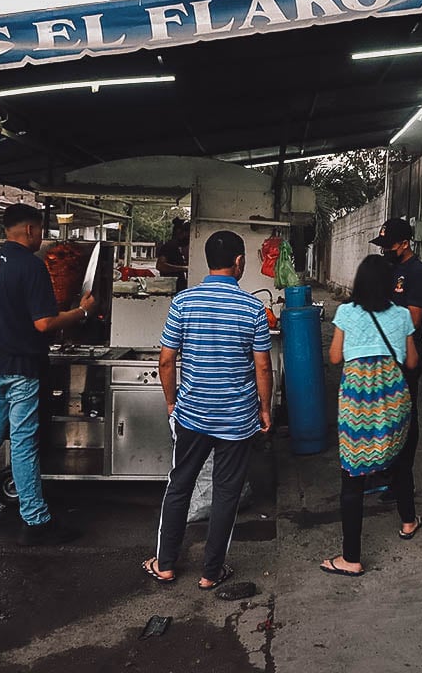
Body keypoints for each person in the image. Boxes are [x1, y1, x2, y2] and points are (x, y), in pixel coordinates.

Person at [142, 230, 273, 590]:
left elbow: (166, 361)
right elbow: (263, 367)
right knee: (226, 493)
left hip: (193, 415)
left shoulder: (183, 302)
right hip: (236, 418)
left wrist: (173, 404)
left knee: (179, 485)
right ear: (239, 262)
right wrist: (265, 410)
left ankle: (165, 564)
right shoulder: (252, 309)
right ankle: (210, 572)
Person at [0, 203, 94, 546]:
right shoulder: (30, 267)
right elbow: (44, 323)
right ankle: (36, 521)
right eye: (40, 231)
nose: (42, 238)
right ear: (30, 231)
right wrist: (81, 311)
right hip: (21, 368)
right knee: (23, 443)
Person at [321, 255, 421, 577]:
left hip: (357, 405)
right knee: (401, 462)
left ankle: (351, 557)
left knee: (353, 478)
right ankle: (408, 522)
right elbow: (412, 363)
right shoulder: (403, 315)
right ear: (391, 285)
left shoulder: (346, 314)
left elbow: (335, 357)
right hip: (394, 402)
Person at [369, 217, 422, 502]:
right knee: (383, 416)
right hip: (382, 354)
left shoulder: (417, 273)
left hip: (404, 356)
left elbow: (413, 319)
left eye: (388, 245)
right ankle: (388, 471)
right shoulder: (388, 268)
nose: (384, 250)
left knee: (405, 417)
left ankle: (402, 480)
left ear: (404, 244)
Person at [156, 217, 191, 290]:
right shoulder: (169, 246)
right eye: (187, 233)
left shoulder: (181, 248)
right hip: (170, 288)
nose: (189, 236)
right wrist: (183, 268)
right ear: (179, 232)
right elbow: (160, 266)